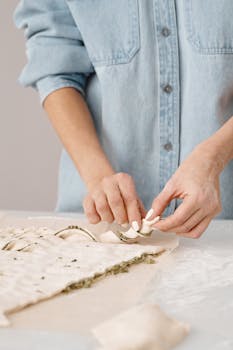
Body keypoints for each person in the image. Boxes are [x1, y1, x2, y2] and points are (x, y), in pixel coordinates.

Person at [14, 1, 233, 238]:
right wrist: (98, 176)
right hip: (100, 226)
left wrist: (214, 156)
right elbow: (53, 66)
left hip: (223, 229)